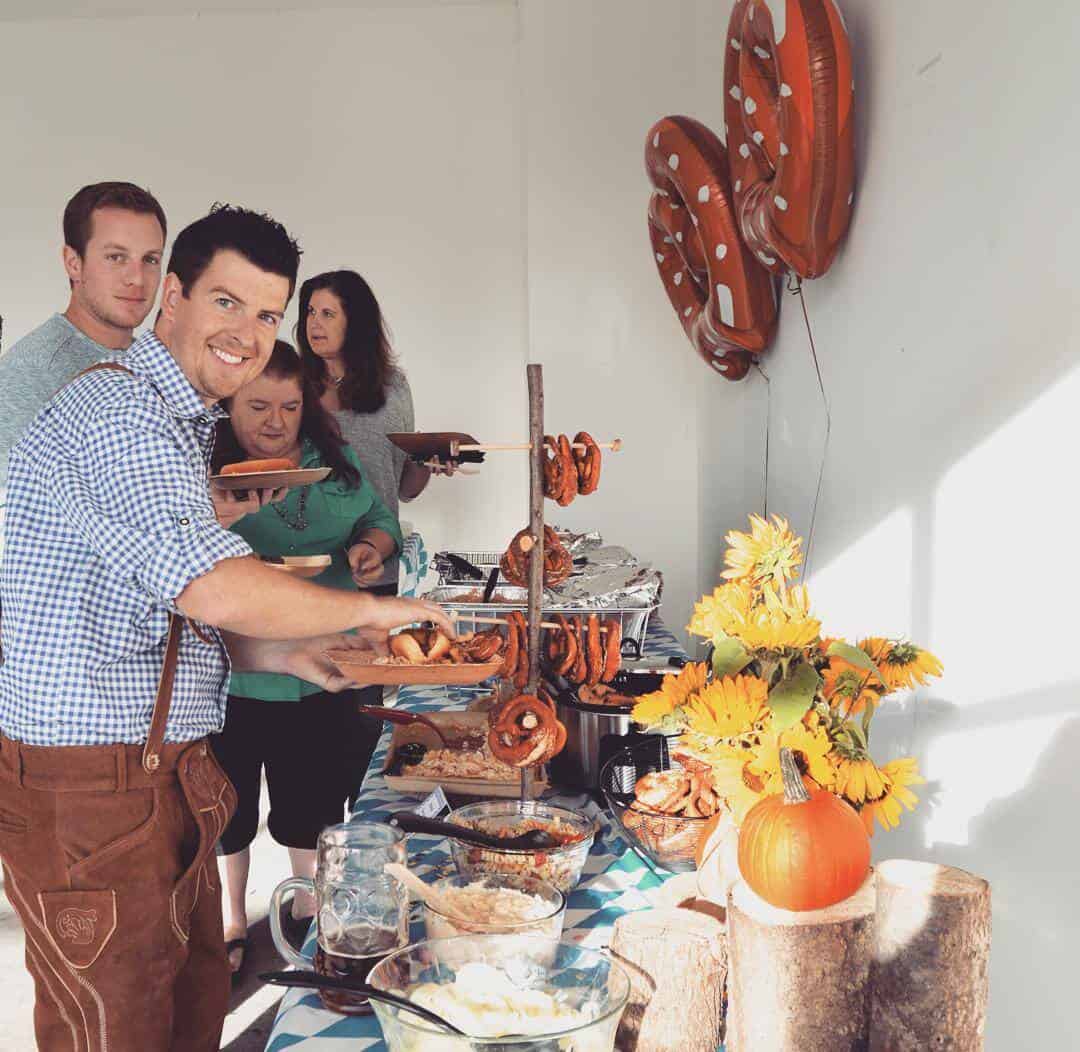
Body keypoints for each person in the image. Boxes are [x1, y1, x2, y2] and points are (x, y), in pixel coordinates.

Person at [0, 204, 453, 1051]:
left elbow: (158, 609)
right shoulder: (119, 417)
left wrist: (293, 649)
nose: (248, 333)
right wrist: (379, 606)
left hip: (154, 777)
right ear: (171, 295)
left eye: (269, 313)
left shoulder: (176, 426)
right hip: (89, 793)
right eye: (226, 302)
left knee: (186, 1018)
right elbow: (208, 587)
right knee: (118, 1033)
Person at [209, 339, 403, 977]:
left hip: (324, 672)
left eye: (289, 407)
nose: (274, 421)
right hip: (233, 674)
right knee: (228, 811)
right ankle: (233, 920)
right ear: (228, 404)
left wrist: (371, 548)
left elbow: (377, 516)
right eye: (258, 405)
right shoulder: (203, 471)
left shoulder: (333, 461)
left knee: (313, 806)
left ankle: (314, 918)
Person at [0, 181, 166, 549]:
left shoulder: (150, 368)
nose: (136, 278)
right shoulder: (34, 372)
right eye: (116, 257)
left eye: (150, 259)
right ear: (73, 263)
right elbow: (13, 529)